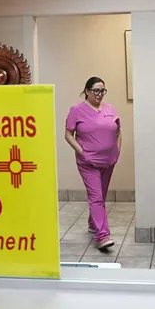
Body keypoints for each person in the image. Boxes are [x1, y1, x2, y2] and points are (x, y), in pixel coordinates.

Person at [64, 77, 122, 250]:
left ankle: (92, 223)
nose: (99, 94)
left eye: (102, 91)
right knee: (96, 198)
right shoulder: (77, 110)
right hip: (88, 162)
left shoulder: (110, 108)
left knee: (100, 196)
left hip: (108, 160)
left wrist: (117, 151)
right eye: (96, 90)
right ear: (87, 91)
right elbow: (68, 135)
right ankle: (102, 236)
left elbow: (118, 132)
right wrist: (83, 153)